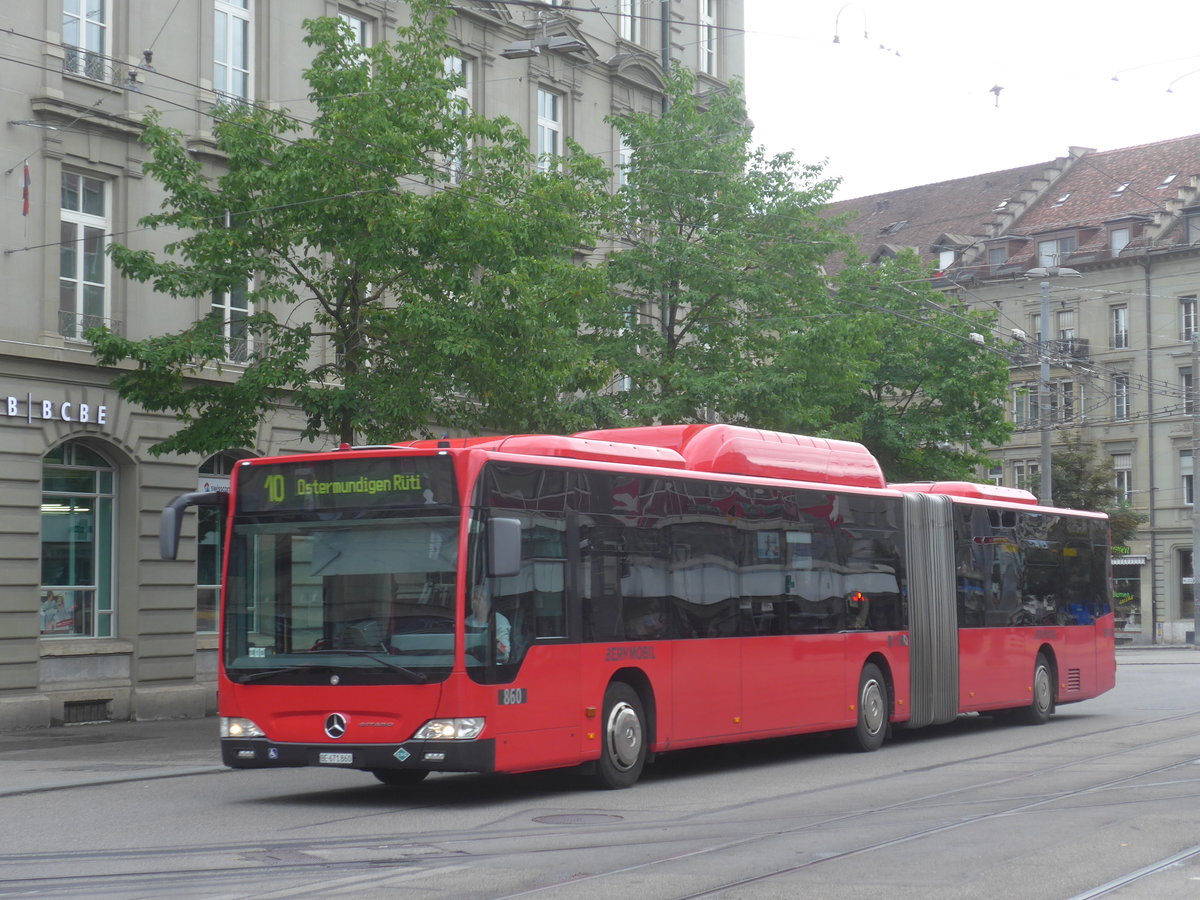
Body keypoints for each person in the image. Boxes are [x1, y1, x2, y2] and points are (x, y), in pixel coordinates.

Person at [467, 584, 511, 663]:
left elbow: (504, 654)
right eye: (472, 599)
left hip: (493, 666)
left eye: (477, 599)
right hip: (470, 662)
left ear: (486, 602)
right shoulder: (468, 621)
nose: (473, 602)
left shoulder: (500, 621)